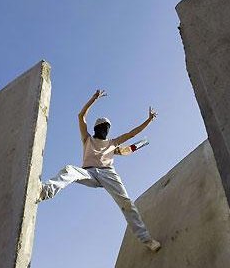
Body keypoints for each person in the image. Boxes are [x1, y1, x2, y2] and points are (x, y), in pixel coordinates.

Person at [37, 89, 162, 252]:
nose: (104, 130)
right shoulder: (87, 139)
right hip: (88, 173)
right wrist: (93, 99)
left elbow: (132, 134)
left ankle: (147, 240)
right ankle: (44, 191)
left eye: (106, 128)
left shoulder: (113, 142)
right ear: (96, 128)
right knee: (69, 170)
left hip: (108, 173)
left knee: (126, 203)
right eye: (102, 127)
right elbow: (81, 116)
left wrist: (149, 120)